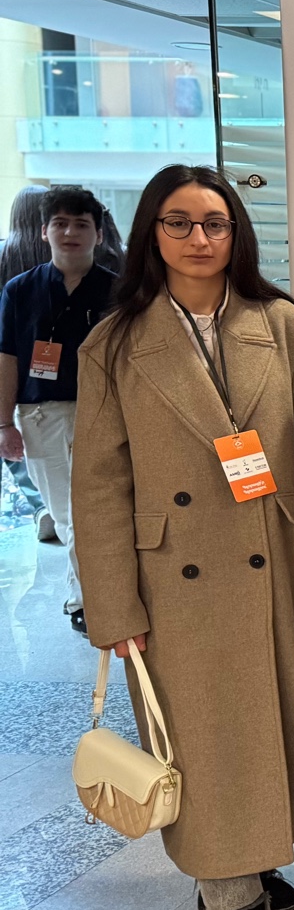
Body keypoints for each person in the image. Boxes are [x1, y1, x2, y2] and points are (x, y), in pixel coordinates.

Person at [71, 164, 294, 910]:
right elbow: (98, 484)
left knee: (268, 729)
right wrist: (113, 606)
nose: (199, 238)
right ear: (151, 233)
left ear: (237, 233)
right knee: (206, 740)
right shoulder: (114, 343)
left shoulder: (281, 322)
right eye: (180, 222)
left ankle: (255, 864)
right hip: (175, 581)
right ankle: (231, 908)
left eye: (215, 223)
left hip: (279, 560)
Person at [0, 186, 115, 631]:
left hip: (102, 414)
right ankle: (85, 594)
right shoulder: (20, 290)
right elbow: (8, 358)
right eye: (60, 224)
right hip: (40, 415)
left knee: (96, 509)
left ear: (98, 234)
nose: (70, 232)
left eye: (81, 224)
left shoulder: (117, 291)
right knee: (66, 513)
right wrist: (4, 423)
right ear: (44, 231)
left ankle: (87, 598)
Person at [0, 184, 50, 532]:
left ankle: (39, 504)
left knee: (10, 432)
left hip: (6, 355)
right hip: (47, 359)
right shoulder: (56, 255)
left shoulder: (4, 254)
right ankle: (54, 502)